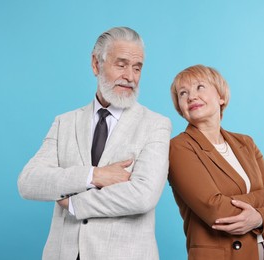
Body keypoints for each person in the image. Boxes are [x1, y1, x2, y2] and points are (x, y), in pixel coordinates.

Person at [18, 27, 171, 260]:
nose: (130, 76)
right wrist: (93, 176)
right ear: (96, 64)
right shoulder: (64, 122)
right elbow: (29, 182)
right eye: (121, 65)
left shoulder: (155, 124)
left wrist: (74, 203)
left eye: (137, 68)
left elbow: (142, 195)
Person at [168, 64, 264, 260]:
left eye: (200, 87)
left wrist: (258, 218)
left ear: (221, 96)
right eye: (183, 93)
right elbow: (216, 209)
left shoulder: (246, 143)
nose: (191, 97)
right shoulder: (178, 148)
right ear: (180, 109)